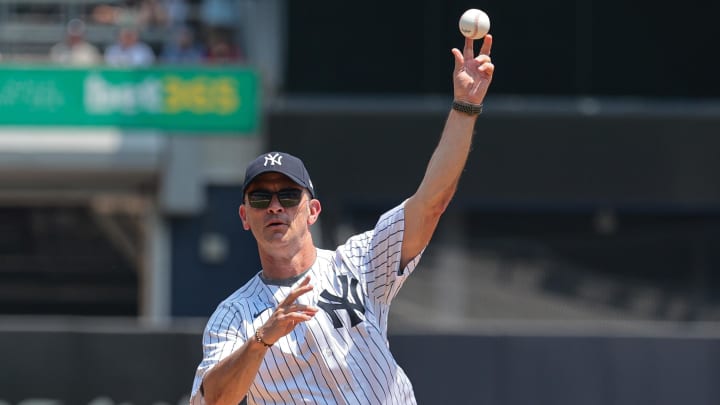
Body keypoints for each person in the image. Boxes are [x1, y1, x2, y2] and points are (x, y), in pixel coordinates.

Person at [190, 34, 495, 405]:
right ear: (244, 216)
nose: (275, 207)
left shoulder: (358, 261)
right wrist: (261, 339)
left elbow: (431, 202)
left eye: (288, 195)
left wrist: (464, 107)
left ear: (312, 211)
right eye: (260, 197)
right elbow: (212, 401)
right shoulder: (234, 315)